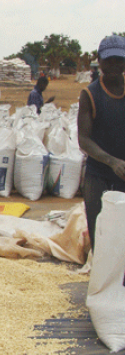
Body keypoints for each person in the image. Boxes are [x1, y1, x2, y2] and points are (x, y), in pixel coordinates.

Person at [77, 35, 125, 249]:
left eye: (119, 60)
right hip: (99, 176)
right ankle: (101, 276)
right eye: (109, 60)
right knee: (100, 234)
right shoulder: (90, 94)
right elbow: (84, 139)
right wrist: (112, 161)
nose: (114, 65)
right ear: (99, 60)